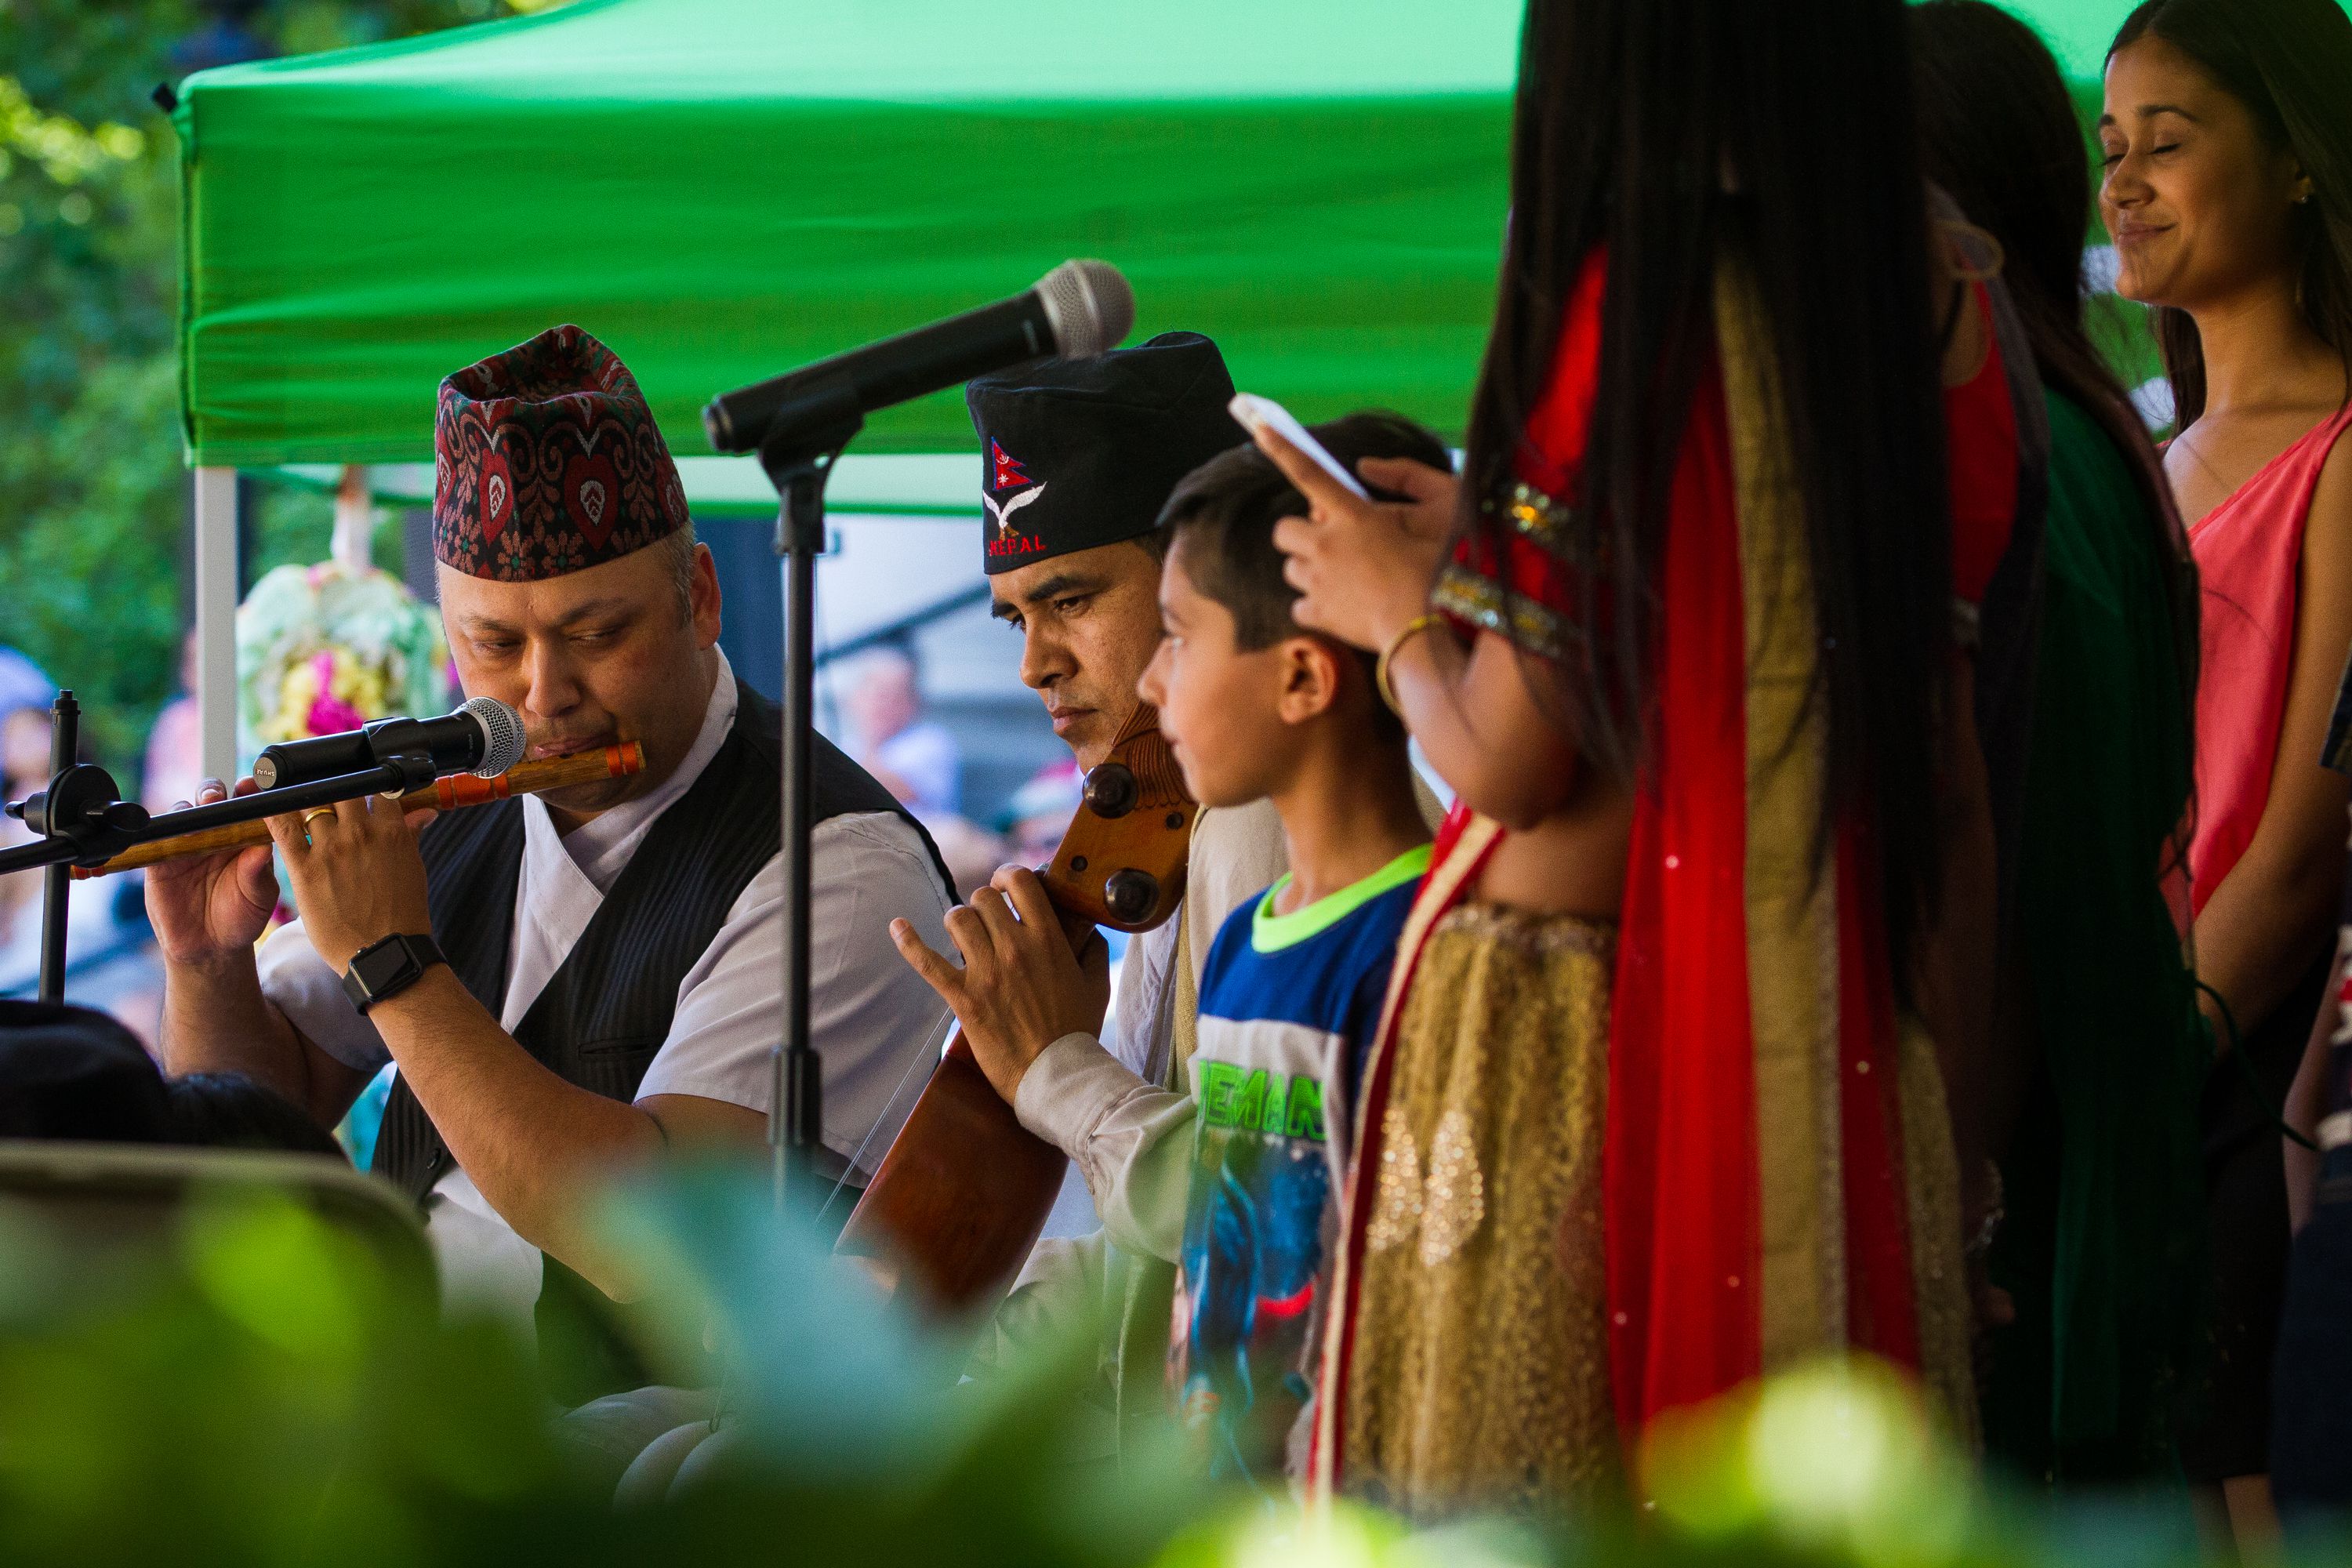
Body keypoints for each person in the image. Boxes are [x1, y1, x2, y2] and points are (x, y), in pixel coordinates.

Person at [1256, 0, 2006, 1512]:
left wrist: (1394, 613)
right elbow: (1924, 760)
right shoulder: (1935, 309)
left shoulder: (1627, 304)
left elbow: (1520, 760)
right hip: (1855, 1058)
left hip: (1578, 1069)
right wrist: (1480, 539)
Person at [146, 325, 957, 1400]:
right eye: (493, 645)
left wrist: (394, 962)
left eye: (594, 633)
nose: (542, 696)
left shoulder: (839, 867)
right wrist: (208, 965)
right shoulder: (454, 793)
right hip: (400, 1435)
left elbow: (659, 1244)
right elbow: (262, 1109)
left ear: (701, 598)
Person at [881, 332, 1295, 1467]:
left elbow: (1261, 1225)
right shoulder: (1170, 818)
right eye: (1017, 617)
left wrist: (1055, 1071)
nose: (1034, 663)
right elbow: (1148, 1266)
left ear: (1200, 584)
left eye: (1069, 599)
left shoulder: (1261, 818)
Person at [1910, 0, 2209, 1489]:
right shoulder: (2087, 434)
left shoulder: (2011, 451)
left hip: (2030, 1163)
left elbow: (2023, 862)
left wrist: (1957, 1201)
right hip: (2079, 1134)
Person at [2100, 0, 2352, 1537]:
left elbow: (2307, 842)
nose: (2123, 181)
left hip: (2241, 1082)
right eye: (2109, 147)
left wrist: (2152, 1063)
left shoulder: (2340, 446)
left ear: (2305, 162)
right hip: (2125, 1068)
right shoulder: (2143, 451)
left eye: (2170, 143)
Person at [1127, 415, 1441, 1486]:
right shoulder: (1241, 947)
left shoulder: (1419, 949)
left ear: (1304, 678)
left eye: (1178, 634)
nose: (1149, 684)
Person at [843, 643, 960, 819]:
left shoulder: (930, 741)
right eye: (877, 694)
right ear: (854, 699)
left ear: (913, 702)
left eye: (894, 695)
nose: (882, 704)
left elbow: (890, 790)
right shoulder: (848, 744)